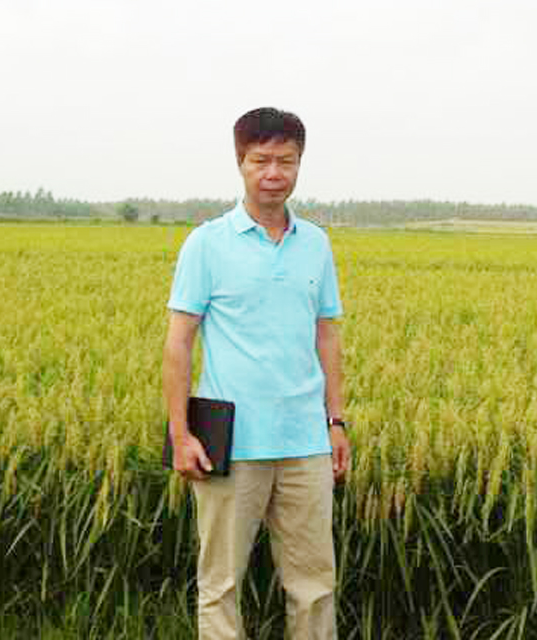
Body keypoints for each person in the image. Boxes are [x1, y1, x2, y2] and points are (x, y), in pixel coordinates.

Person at [162, 106, 350, 640]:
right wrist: (180, 434)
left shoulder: (316, 243)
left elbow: (327, 336)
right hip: (230, 443)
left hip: (305, 442)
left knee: (314, 584)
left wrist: (336, 422)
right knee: (220, 584)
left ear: (299, 164)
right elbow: (179, 342)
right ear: (240, 163)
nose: (273, 173)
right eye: (260, 160)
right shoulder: (207, 243)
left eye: (285, 161)